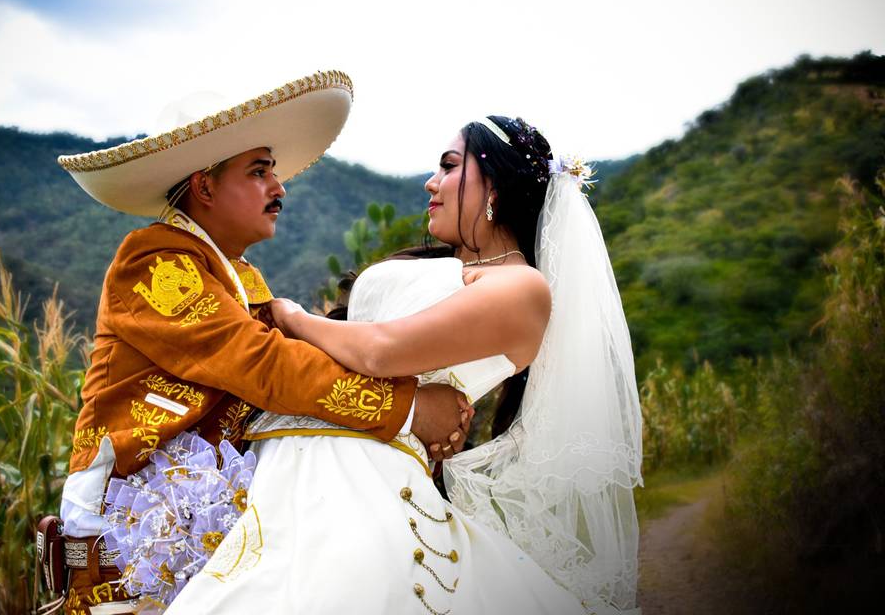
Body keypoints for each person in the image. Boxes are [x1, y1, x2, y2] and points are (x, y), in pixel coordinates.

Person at [167, 116, 643, 614]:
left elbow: (380, 351)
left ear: (496, 186)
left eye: (449, 166)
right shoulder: (440, 266)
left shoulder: (522, 288)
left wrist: (291, 316)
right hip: (282, 456)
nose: (431, 182)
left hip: (363, 472)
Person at [51, 71, 471, 615]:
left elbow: (294, 367)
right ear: (203, 186)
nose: (279, 188)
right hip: (134, 535)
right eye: (259, 171)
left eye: (273, 171)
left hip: (203, 526)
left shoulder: (238, 275)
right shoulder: (156, 262)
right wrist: (409, 408)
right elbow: (264, 366)